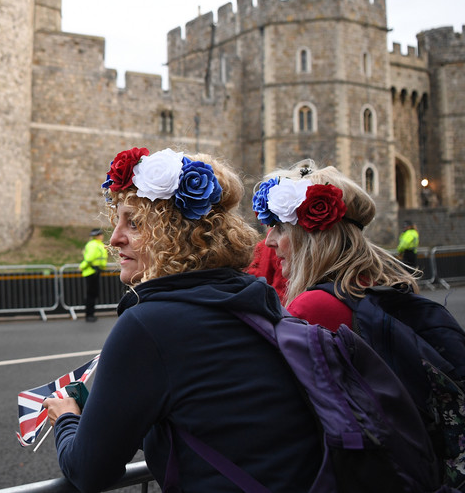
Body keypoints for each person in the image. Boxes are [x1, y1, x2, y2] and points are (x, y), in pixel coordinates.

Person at [42, 147, 323, 492]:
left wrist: (67, 418)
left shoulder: (150, 325)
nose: (115, 239)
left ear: (173, 233)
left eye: (134, 222)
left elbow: (88, 471)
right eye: (117, 221)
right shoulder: (253, 298)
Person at [253, 161, 419, 330]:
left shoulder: (312, 308)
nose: (269, 241)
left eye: (281, 228)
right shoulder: (381, 285)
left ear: (316, 237)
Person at [78, 228, 108, 322]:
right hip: (91, 271)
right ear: (97, 236)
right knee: (91, 294)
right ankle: (89, 315)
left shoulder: (98, 244)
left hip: (96, 271)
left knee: (93, 293)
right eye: (100, 234)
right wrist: (82, 266)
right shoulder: (93, 245)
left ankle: (91, 313)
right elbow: (89, 258)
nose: (102, 236)